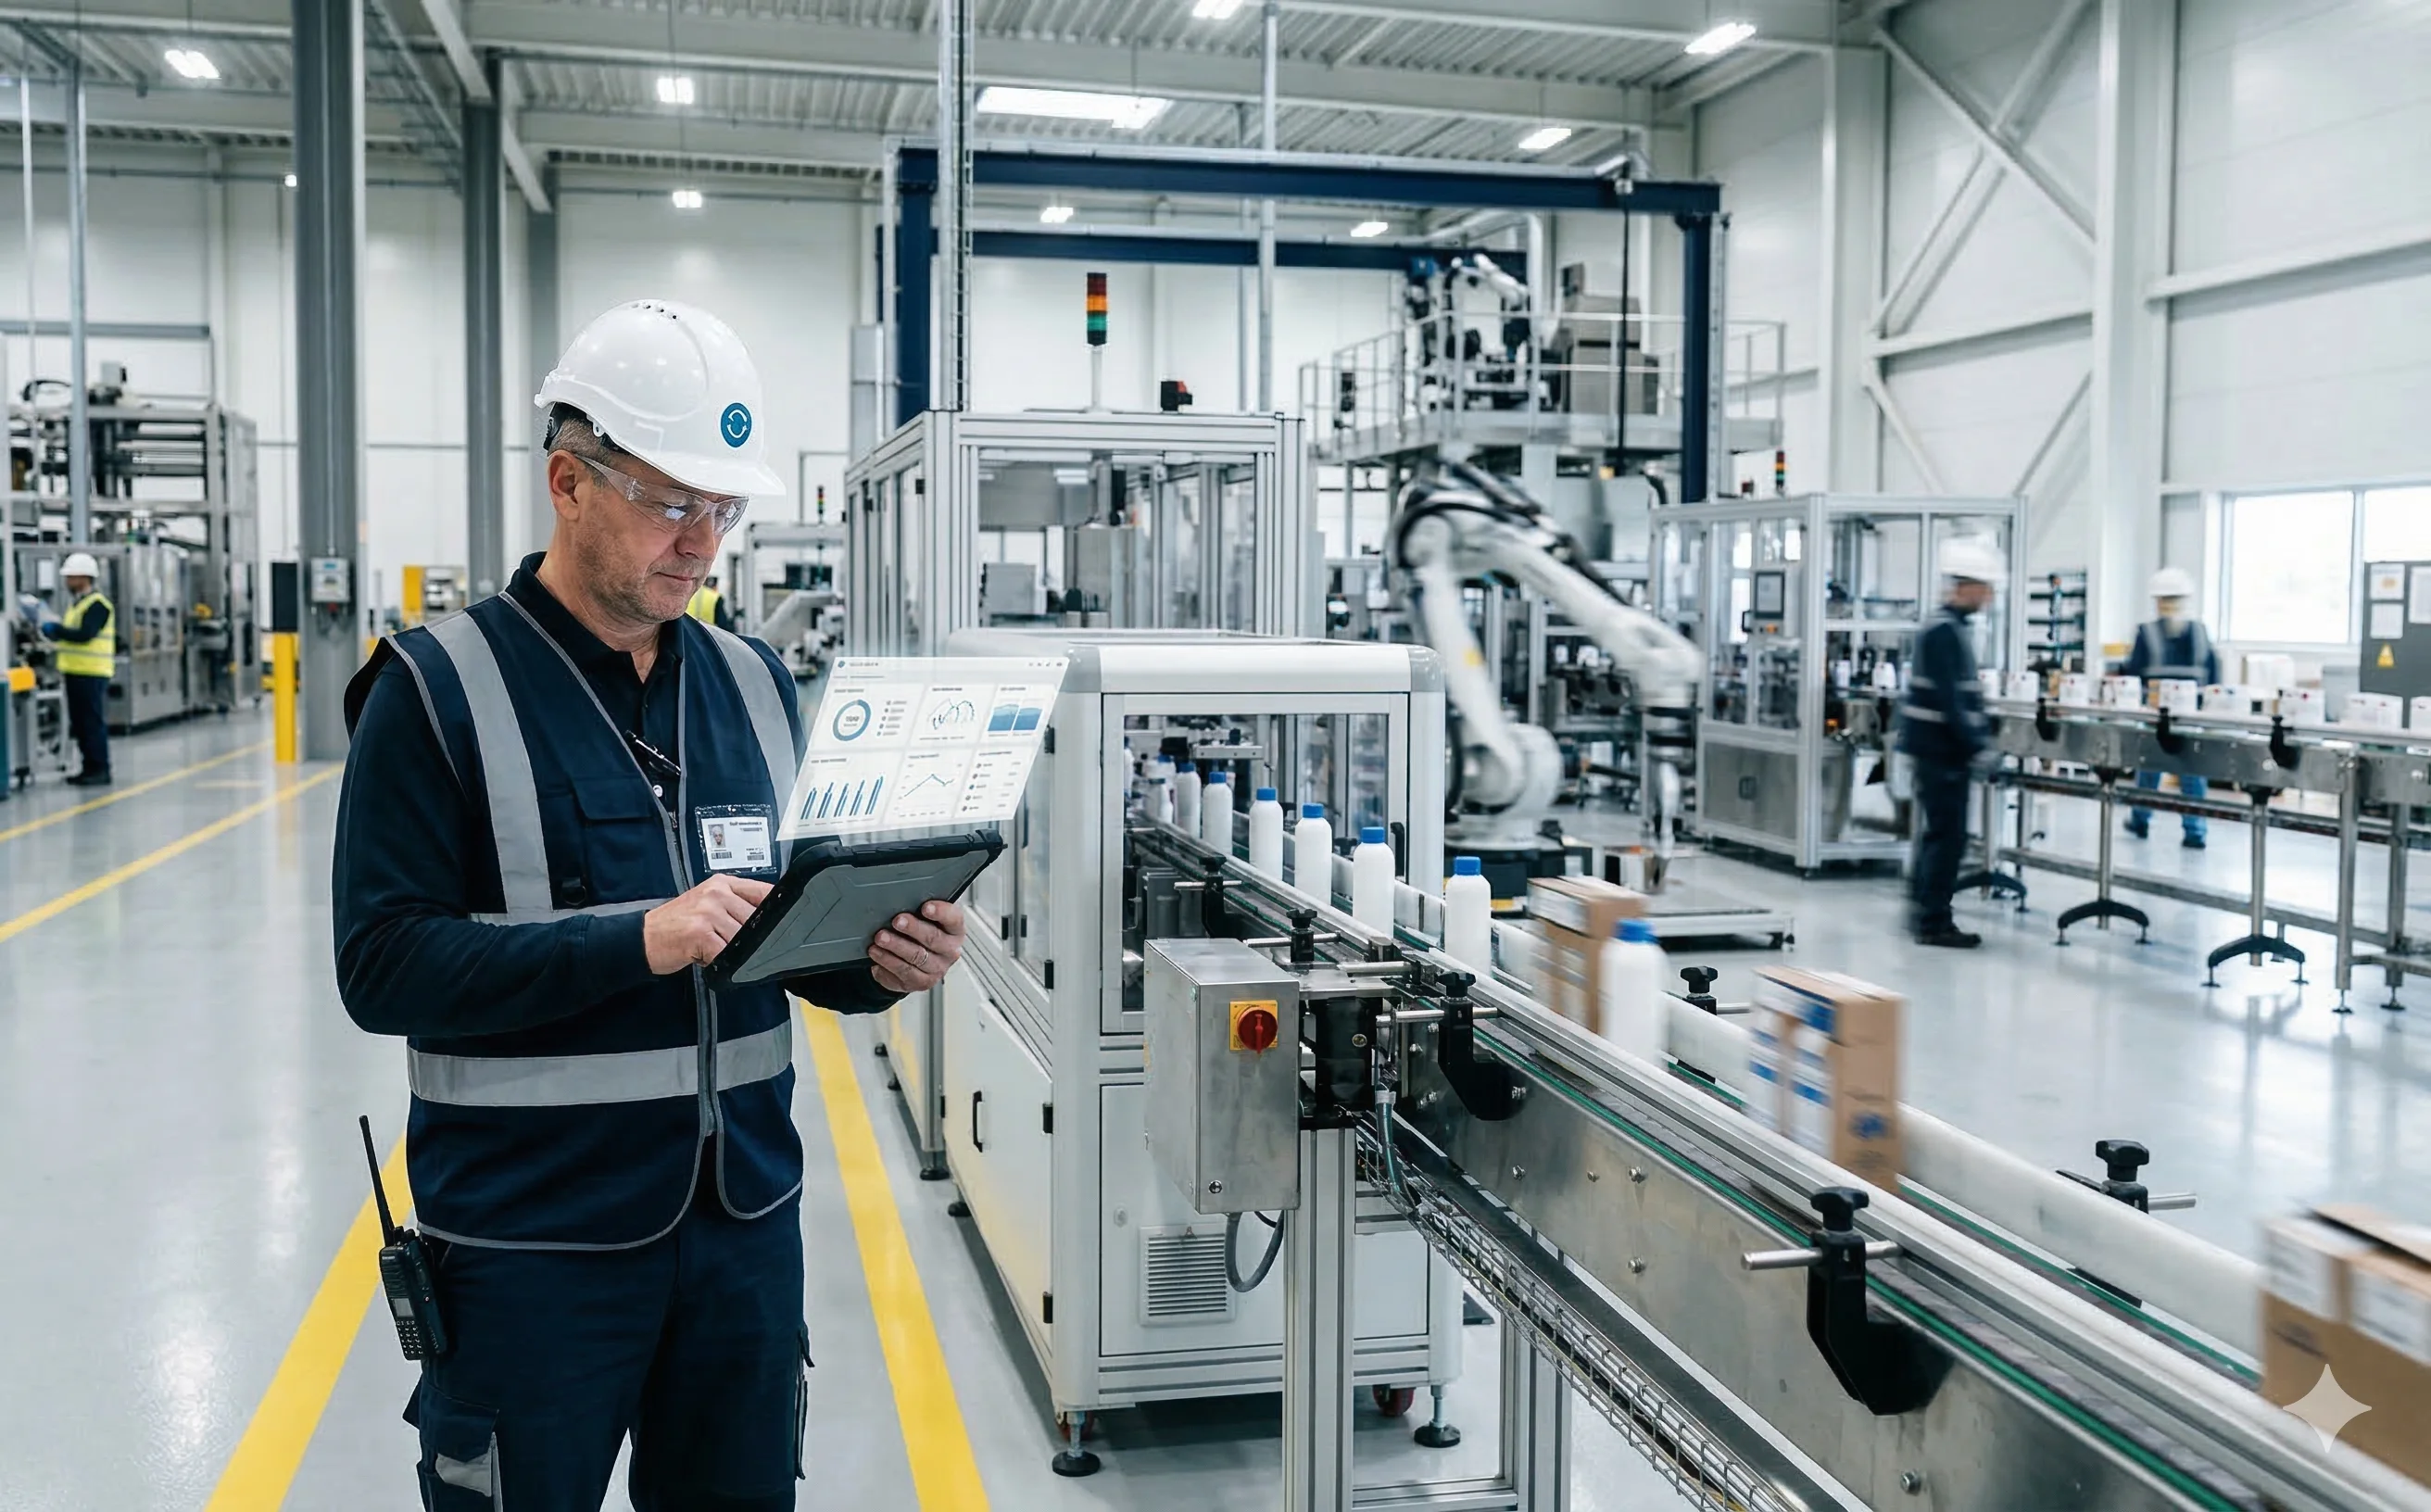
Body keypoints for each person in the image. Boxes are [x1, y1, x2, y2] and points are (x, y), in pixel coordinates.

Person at [333, 298, 966, 1511]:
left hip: (743, 1239)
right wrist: (636, 939)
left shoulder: (756, 683)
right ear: (568, 482)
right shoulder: (433, 690)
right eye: (672, 503)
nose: (703, 542)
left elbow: (780, 943)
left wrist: (876, 960)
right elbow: (383, 967)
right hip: (531, 1255)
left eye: (722, 510)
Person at [1897, 537, 2005, 949]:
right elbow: (1951, 700)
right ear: (1967, 587)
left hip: (1938, 749)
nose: (1989, 598)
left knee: (1938, 835)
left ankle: (1924, 909)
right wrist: (1979, 744)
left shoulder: (1947, 627)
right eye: (1986, 589)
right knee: (1948, 838)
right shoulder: (1945, 632)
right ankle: (1933, 921)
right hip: (1941, 751)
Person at [2122, 566, 2220, 849]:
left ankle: (2141, 818)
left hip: (2155, 718)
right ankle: (2195, 830)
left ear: (2157, 601)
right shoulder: (2201, 633)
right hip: (2191, 719)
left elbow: (2133, 674)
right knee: (2192, 774)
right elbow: (2214, 678)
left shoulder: (2147, 633)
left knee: (2149, 769)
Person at [31, 551, 114, 785]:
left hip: (93, 672)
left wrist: (56, 630)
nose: (67, 582)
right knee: (80, 723)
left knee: (91, 722)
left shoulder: (98, 605)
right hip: (76, 671)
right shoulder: (77, 605)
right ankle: (89, 767)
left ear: (84, 578)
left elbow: (85, 635)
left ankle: (100, 769)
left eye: (71, 577)